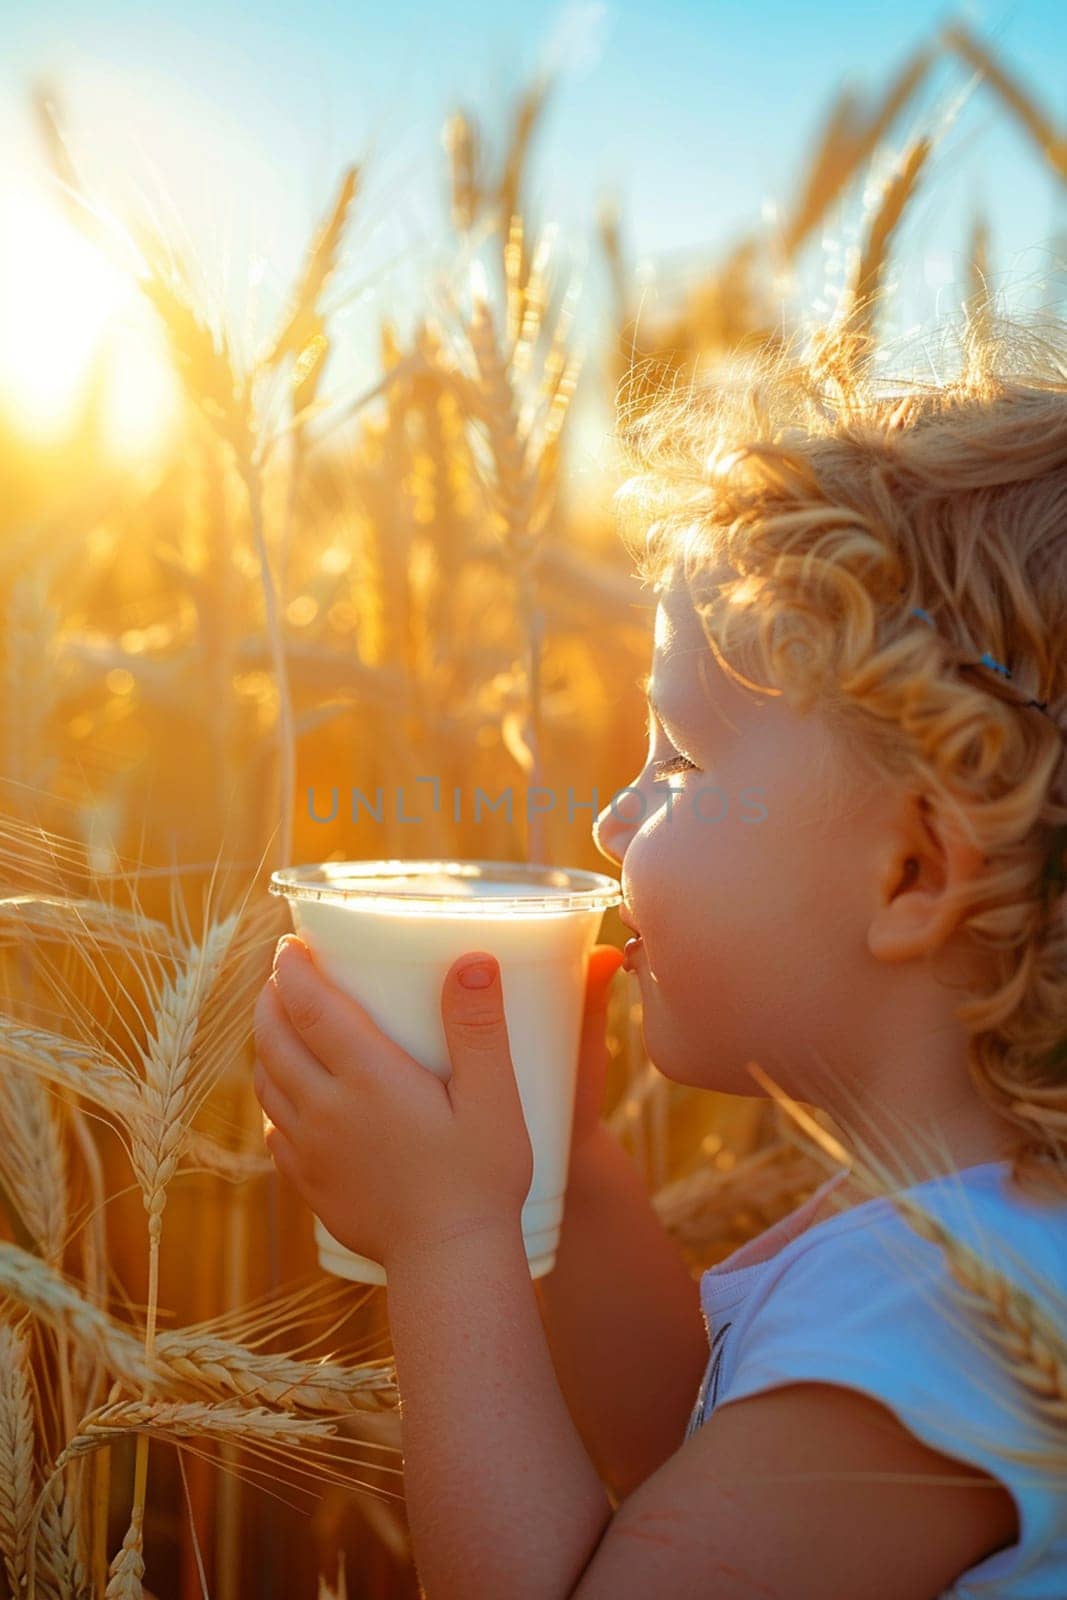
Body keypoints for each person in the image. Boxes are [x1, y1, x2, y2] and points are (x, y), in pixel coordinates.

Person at [253, 315, 1067, 1598]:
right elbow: (682, 1456)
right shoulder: (962, 1232)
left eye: (678, 762)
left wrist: (448, 1237)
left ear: (911, 871)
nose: (609, 818)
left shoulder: (934, 1319)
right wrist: (558, 1174)